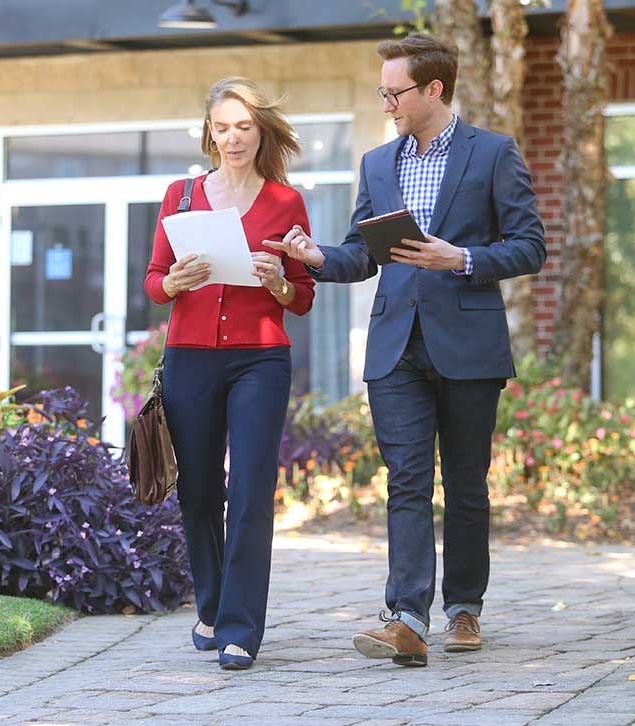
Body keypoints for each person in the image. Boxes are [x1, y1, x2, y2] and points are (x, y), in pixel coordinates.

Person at [266, 33, 546, 667]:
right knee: (408, 482)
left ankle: (464, 607)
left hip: (469, 344)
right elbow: (362, 254)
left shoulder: (494, 154)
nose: (387, 102)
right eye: (382, 92)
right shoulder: (377, 164)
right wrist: (315, 257)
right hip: (396, 347)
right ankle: (406, 619)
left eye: (395, 92)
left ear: (433, 90)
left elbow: (530, 246)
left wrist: (465, 257)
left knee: (468, 486)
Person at [144, 77, 315, 671]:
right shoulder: (181, 195)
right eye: (223, 127)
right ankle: (213, 605)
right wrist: (173, 284)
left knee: (248, 490)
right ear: (209, 132)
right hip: (189, 355)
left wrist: (281, 283)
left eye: (244, 126)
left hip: (260, 358)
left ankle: (241, 628)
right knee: (198, 490)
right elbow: (153, 279)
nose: (234, 137)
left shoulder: (286, 203)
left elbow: (303, 297)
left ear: (260, 131)